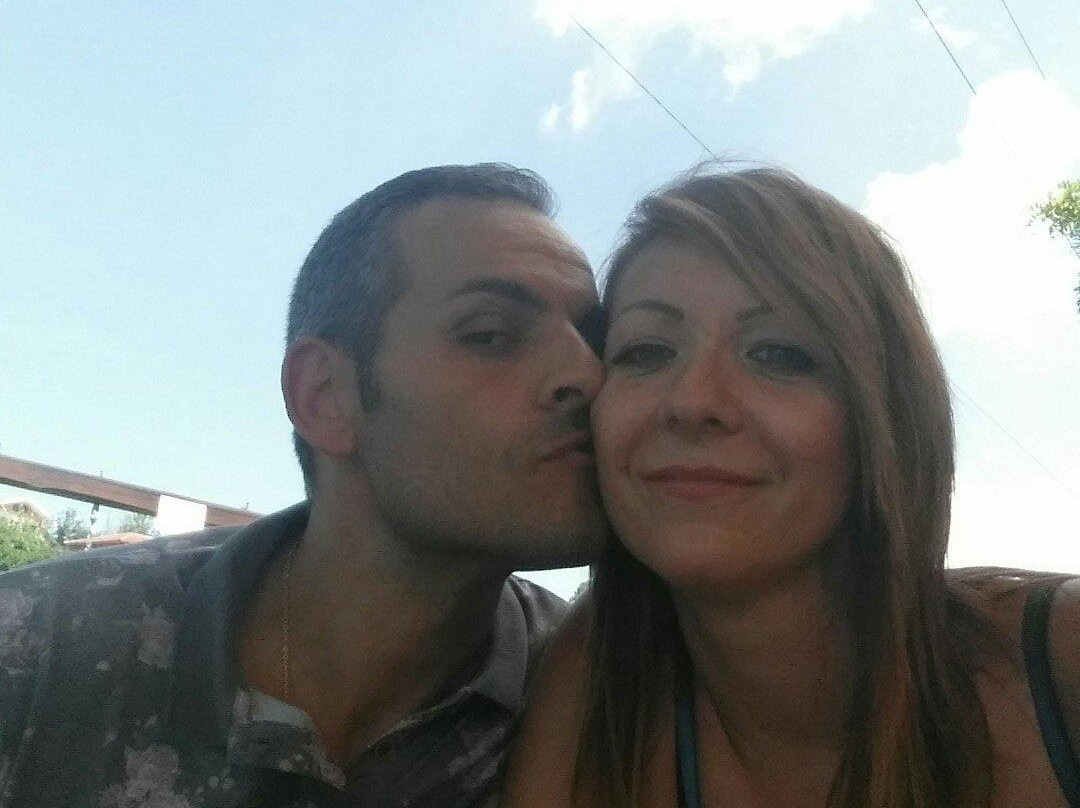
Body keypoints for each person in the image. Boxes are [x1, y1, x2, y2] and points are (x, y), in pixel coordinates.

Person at [0, 163, 610, 807]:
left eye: (599, 341)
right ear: (326, 396)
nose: (589, 376)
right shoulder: (38, 649)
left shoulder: (607, 701)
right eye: (490, 335)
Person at [505, 166, 1080, 808]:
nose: (692, 402)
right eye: (646, 351)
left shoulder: (1061, 659)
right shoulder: (595, 678)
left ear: (885, 416)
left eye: (778, 354)